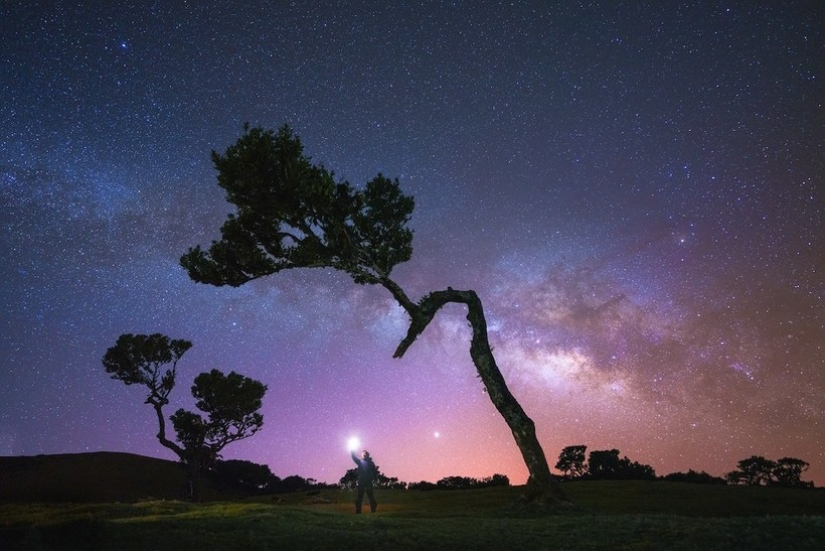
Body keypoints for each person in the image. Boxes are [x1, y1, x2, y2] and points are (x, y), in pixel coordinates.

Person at [351, 449, 378, 513]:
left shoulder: (371, 463)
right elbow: (354, 458)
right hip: (361, 481)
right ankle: (358, 511)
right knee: (360, 496)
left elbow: (374, 471)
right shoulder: (360, 462)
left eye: (365, 454)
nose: (363, 454)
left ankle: (373, 510)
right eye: (363, 453)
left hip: (368, 481)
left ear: (367, 455)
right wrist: (352, 452)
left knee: (370, 496)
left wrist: (375, 479)